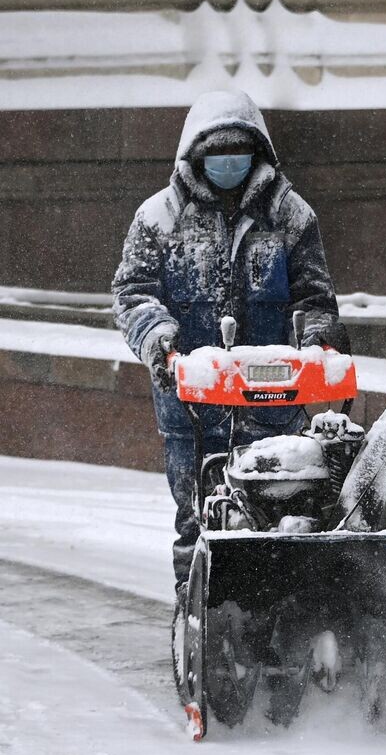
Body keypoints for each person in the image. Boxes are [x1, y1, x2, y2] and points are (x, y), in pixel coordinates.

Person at [112, 90, 349, 594]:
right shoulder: (159, 218)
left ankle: (278, 608)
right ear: (196, 157)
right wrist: (162, 343)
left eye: (237, 155)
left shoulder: (290, 216)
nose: (228, 165)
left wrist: (319, 340)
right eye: (217, 156)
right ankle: (196, 612)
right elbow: (132, 294)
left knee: (282, 506)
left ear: (256, 155)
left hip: (274, 400)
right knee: (196, 514)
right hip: (190, 406)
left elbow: (315, 295)